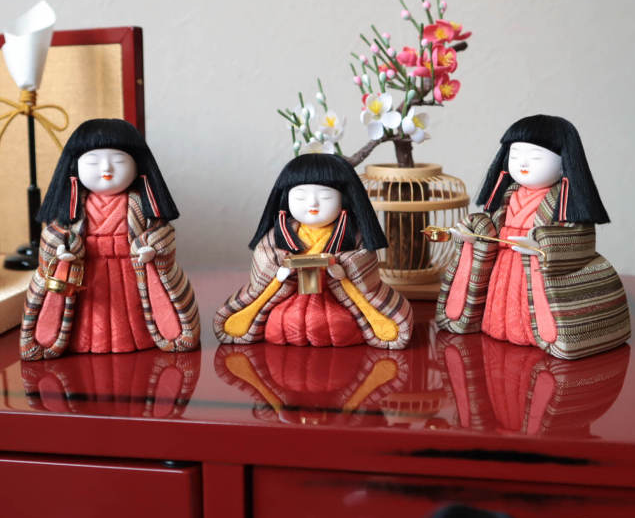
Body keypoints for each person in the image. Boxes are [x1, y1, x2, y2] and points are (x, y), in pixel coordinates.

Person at [436, 115, 629, 360]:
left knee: (530, 308)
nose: (523, 163)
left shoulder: (565, 202)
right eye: (516, 155)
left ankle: (540, 335)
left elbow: (579, 238)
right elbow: (490, 229)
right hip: (502, 266)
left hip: (536, 268)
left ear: (563, 163)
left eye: (536, 157)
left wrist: (542, 244)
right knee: (501, 305)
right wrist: (474, 233)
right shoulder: (508, 195)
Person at [20, 119, 200, 360]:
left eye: (119, 161)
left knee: (133, 313)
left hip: (131, 272)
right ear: (75, 166)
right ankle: (75, 340)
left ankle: (144, 337)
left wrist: (151, 248)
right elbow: (54, 234)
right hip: (87, 274)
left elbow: (162, 232)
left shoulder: (140, 204)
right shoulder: (73, 206)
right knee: (89, 315)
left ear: (137, 165)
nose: (106, 169)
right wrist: (62, 248)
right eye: (93, 162)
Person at [214, 153, 413, 348]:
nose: (312, 204)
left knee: (335, 323)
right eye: (300, 197)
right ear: (286, 198)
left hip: (336, 296)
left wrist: (342, 271)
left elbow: (362, 259)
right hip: (290, 294)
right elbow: (264, 255)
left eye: (325, 196)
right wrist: (279, 271)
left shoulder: (352, 235)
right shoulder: (280, 233)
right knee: (284, 321)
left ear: (344, 199)